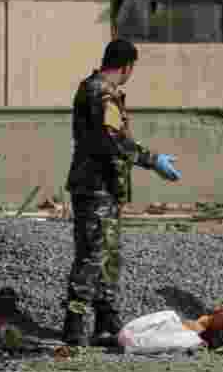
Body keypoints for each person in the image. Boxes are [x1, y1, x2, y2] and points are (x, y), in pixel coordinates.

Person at [62, 38, 182, 347]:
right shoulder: (101, 93)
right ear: (127, 66)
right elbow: (114, 138)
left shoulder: (92, 88)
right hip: (96, 187)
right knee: (92, 255)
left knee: (108, 256)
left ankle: (106, 321)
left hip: (104, 188)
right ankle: (75, 325)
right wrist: (153, 160)